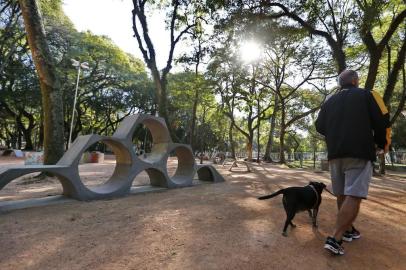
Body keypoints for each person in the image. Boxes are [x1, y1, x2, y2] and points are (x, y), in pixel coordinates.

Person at [315, 70, 390, 255]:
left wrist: (335, 136)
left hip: (335, 154)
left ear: (340, 83)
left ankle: (348, 230)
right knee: (354, 195)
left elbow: (319, 126)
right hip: (359, 151)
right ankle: (336, 237)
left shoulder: (329, 101)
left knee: (342, 193)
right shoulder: (368, 94)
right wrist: (382, 143)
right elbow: (383, 119)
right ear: (356, 81)